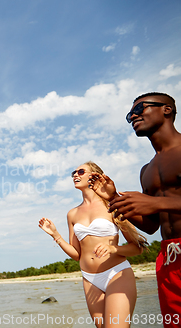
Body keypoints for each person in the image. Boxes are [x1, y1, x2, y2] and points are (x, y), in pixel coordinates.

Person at [88, 92, 181, 327]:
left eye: (140, 108)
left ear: (166, 110)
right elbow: (151, 227)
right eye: (130, 114)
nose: (133, 116)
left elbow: (157, 205)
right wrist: (113, 198)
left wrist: (157, 203)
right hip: (169, 259)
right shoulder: (146, 170)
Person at [39, 161, 147, 328]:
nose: (75, 175)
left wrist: (113, 248)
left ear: (94, 175)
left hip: (116, 274)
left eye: (81, 171)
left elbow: (137, 248)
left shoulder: (112, 205)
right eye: (73, 172)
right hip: (90, 279)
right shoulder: (72, 214)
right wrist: (55, 235)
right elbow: (77, 254)